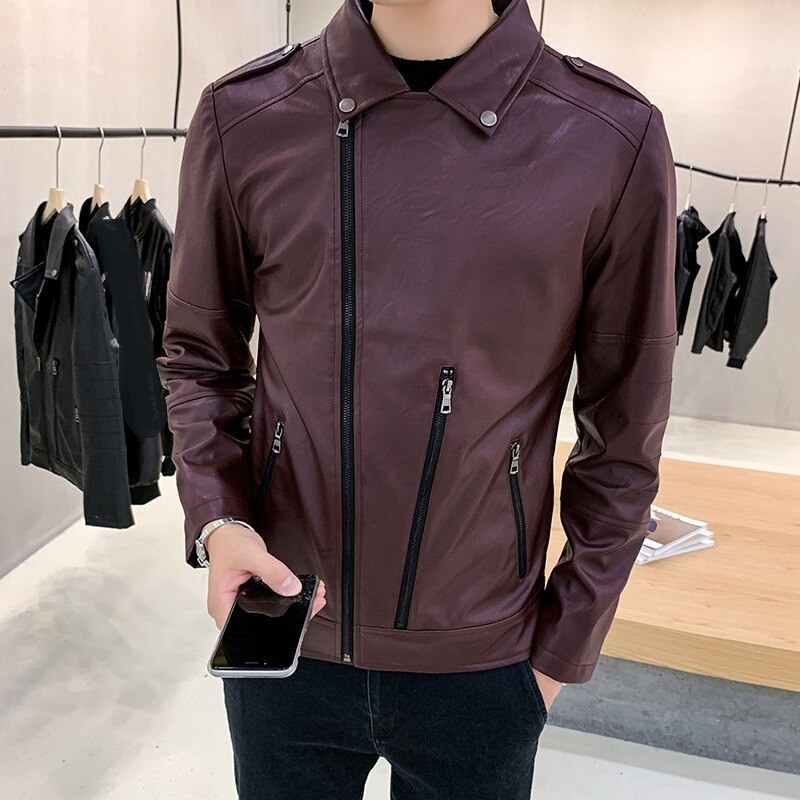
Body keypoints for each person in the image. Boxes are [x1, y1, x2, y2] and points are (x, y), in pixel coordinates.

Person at [156, 0, 678, 797]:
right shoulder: (247, 115)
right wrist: (219, 521)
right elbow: (199, 357)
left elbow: (626, 427)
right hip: (282, 629)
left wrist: (557, 656)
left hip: (484, 661)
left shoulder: (608, 136)